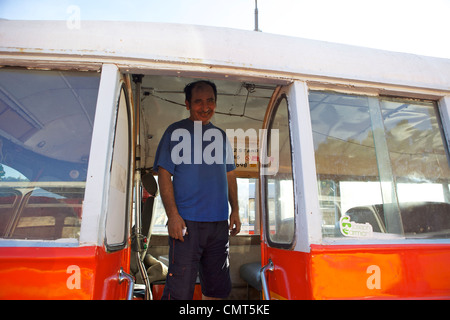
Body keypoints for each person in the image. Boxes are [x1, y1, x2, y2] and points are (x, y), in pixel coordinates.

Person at [153, 80, 241, 300]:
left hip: (218, 225)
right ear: (187, 104)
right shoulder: (175, 131)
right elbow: (164, 174)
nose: (205, 107)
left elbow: (229, 174)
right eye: (198, 102)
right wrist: (173, 216)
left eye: (210, 101)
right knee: (179, 291)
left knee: (218, 290)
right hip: (186, 225)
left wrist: (236, 210)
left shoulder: (220, 136)